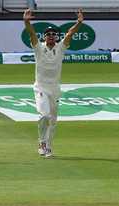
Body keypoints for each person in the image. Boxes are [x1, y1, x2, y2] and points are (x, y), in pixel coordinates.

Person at [23, 8, 84, 158]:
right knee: (44, 115)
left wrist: (79, 23)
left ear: (56, 37)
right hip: (41, 87)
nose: (51, 36)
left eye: (53, 34)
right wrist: (26, 21)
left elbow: (70, 34)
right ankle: (42, 143)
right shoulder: (39, 48)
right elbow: (31, 33)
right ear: (44, 37)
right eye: (48, 34)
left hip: (55, 89)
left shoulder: (61, 48)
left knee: (53, 121)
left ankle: (49, 147)